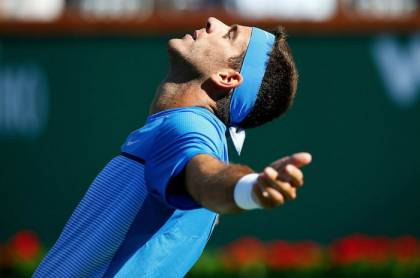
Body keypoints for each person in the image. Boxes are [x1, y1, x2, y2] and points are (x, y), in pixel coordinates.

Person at [34, 17, 312, 277]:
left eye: (229, 34)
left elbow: (206, 177)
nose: (212, 21)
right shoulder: (190, 129)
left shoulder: (187, 126)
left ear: (226, 77)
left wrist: (248, 189)